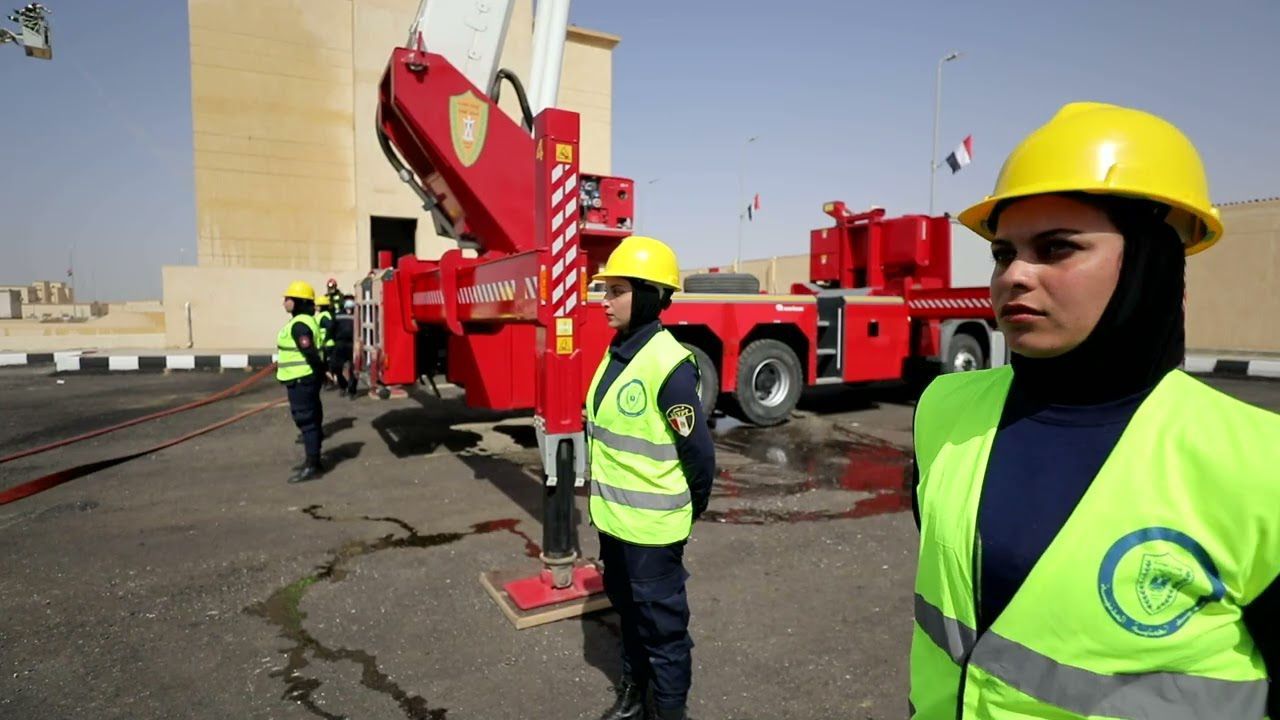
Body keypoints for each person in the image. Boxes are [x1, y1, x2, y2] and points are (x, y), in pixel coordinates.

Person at [908, 101, 1280, 719]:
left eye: (1056, 248)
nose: (1013, 277)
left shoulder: (1259, 462)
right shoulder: (942, 410)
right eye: (1003, 253)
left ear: (1147, 263)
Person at [585, 235, 716, 720]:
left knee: (663, 634)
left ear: (647, 294)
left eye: (615, 290)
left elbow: (699, 459)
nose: (604, 301)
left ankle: (667, 711)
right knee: (631, 618)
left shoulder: (669, 366)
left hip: (652, 535)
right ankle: (633, 693)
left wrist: (686, 509)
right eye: (605, 290)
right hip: (615, 526)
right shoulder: (619, 351)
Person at [276, 280, 330, 483]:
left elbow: (309, 352)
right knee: (312, 419)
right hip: (304, 378)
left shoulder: (300, 325)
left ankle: (312, 465)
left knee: (307, 421)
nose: (284, 302)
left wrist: (320, 372)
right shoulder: (304, 321)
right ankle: (313, 461)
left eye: (288, 299)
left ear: (298, 302)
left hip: (301, 380)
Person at [330, 295, 358, 399]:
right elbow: (331, 329)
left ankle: (352, 391)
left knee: (354, 369)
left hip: (353, 343)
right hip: (340, 343)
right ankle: (343, 385)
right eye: (347, 300)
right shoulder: (337, 315)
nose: (349, 302)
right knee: (336, 367)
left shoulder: (358, 314)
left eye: (351, 300)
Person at [314, 295, 336, 390]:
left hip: (326, 344)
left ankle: (329, 382)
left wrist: (326, 339)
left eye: (317, 305)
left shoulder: (324, 316)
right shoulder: (324, 315)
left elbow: (330, 327)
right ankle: (328, 381)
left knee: (325, 365)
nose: (315, 307)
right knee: (325, 364)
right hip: (324, 344)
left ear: (321, 306)